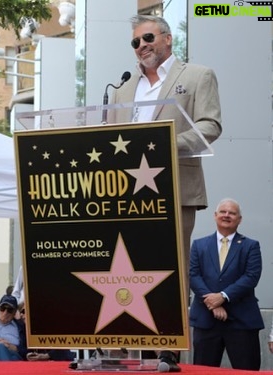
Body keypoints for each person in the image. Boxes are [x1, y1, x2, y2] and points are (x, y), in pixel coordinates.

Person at [109, 15, 222, 371]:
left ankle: (168, 347)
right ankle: (132, 345)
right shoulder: (122, 89)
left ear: (168, 39)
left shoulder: (196, 75)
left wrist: (164, 144)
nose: (141, 46)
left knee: (169, 266)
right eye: (135, 42)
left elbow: (210, 125)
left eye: (147, 38)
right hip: (127, 195)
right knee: (128, 268)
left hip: (173, 185)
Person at [189, 198, 263, 370]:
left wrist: (222, 297)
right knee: (202, 371)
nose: (227, 215)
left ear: (239, 219)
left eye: (232, 213)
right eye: (223, 211)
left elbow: (251, 277)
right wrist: (212, 303)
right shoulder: (199, 245)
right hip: (206, 321)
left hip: (241, 322)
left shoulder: (251, 246)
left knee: (247, 371)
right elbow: (193, 276)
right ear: (215, 216)